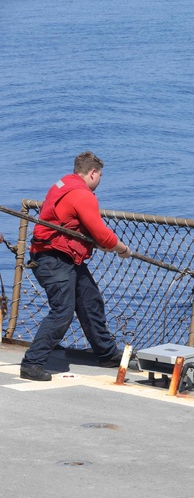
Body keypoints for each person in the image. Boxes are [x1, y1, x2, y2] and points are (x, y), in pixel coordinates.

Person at [19, 151, 131, 382]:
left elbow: (68, 221)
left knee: (90, 300)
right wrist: (122, 249)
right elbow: (102, 233)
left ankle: (107, 354)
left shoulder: (62, 184)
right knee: (62, 311)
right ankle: (32, 363)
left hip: (63, 256)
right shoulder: (83, 194)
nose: (99, 181)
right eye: (100, 176)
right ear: (92, 173)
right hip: (53, 258)